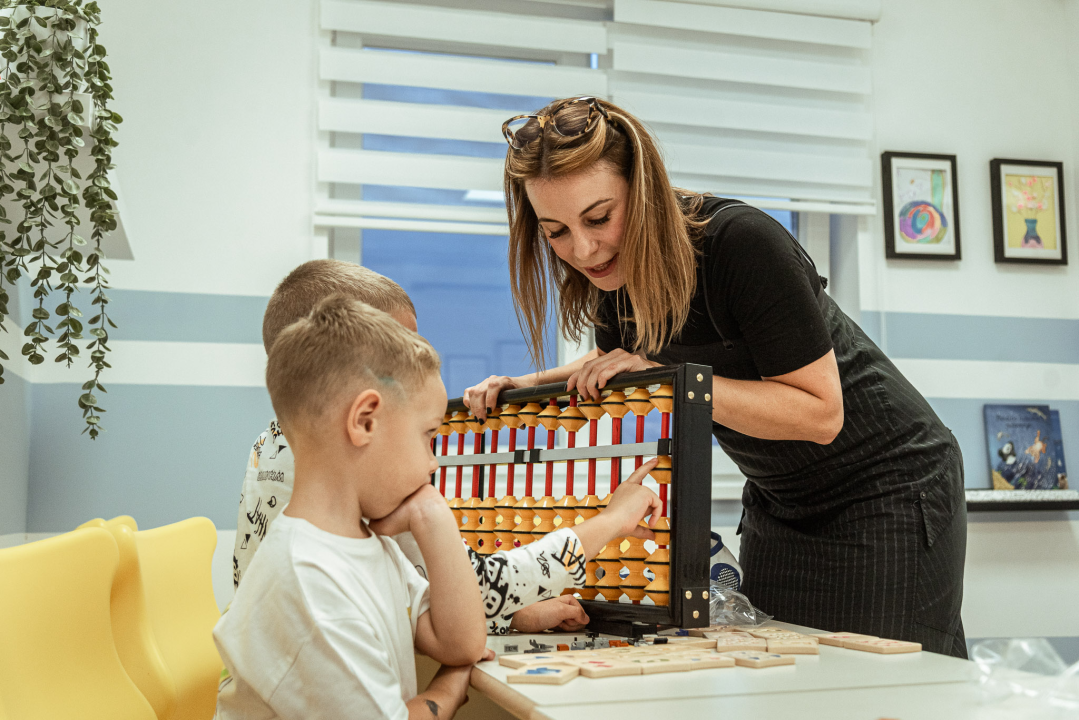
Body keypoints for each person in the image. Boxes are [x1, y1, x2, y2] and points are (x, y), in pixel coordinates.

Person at [463, 96, 968, 657]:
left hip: (887, 486)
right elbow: (612, 367)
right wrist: (526, 384)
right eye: (556, 231)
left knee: (879, 678)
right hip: (781, 498)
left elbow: (822, 414)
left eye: (599, 218)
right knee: (786, 670)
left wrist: (671, 375)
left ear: (644, 190)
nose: (582, 249)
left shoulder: (741, 244)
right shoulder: (613, 274)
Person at [215, 297, 664, 720]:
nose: (433, 463)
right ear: (365, 421)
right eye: (427, 435)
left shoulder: (369, 546)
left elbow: (459, 642)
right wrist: (446, 690)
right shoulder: (311, 584)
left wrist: (433, 517)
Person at [233, 259, 660, 634]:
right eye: (400, 351)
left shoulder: (272, 445)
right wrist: (611, 521)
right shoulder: (354, 473)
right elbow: (478, 584)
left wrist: (509, 617)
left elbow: (409, 595)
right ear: (360, 413)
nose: (417, 359)